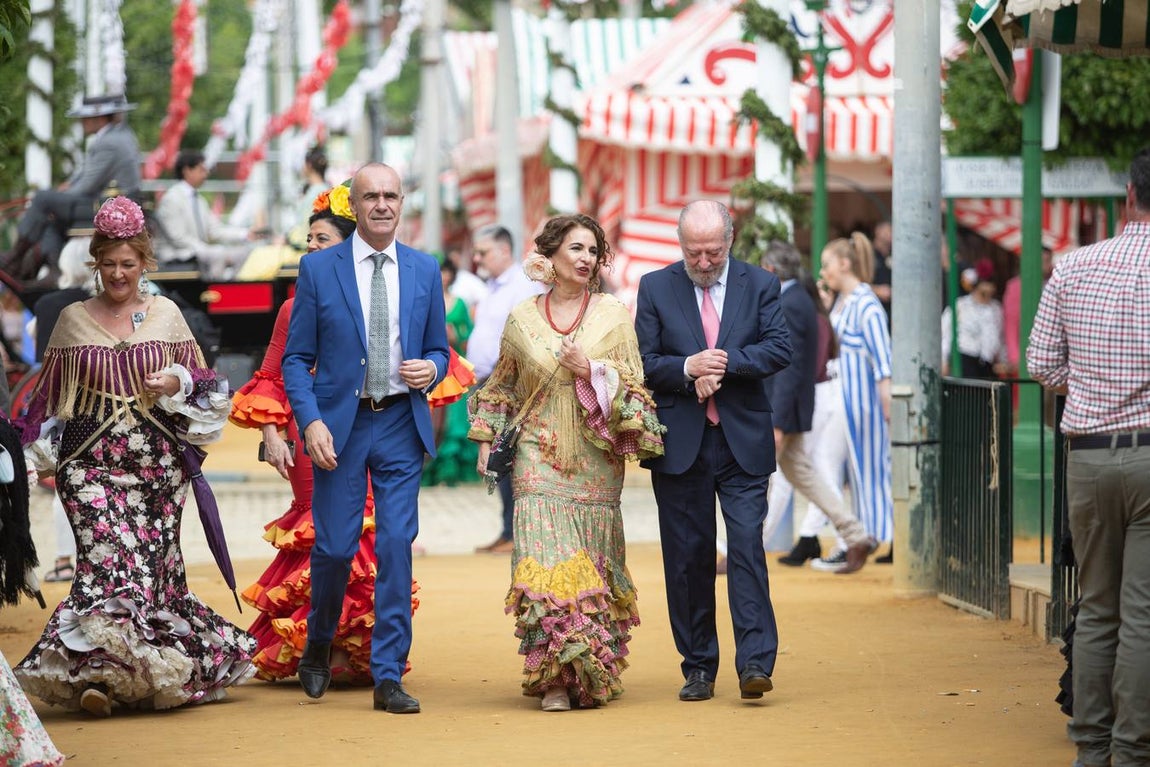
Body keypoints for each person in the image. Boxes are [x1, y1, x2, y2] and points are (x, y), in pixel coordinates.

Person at [13, 196, 255, 717]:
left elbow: (209, 385)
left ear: (145, 263)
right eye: (109, 263)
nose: (119, 274)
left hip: (158, 472)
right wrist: (23, 456)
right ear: (95, 263)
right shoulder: (72, 321)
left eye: (129, 264)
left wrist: (177, 379)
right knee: (104, 569)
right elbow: (45, 402)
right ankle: (101, 677)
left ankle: (142, 676)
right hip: (90, 469)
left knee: (154, 575)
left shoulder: (167, 315)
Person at [468, 213, 663, 712]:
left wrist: (592, 370)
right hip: (536, 456)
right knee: (543, 564)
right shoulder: (522, 318)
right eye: (576, 248)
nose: (586, 259)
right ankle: (554, 679)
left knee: (591, 572)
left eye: (593, 251)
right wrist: (484, 440)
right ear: (551, 255)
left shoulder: (614, 315)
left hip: (595, 461)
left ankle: (587, 674)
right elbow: (504, 384)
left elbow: (637, 391)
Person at [230, 188, 420, 682]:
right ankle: (317, 641)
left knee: (378, 538)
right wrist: (273, 432)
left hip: (377, 424)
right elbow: (274, 372)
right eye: (308, 239)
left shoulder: (390, 280)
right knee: (327, 537)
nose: (312, 248)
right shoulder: (293, 307)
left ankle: (361, 652)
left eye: (322, 239)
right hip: (311, 426)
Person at [281, 162, 448, 715]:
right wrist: (310, 422)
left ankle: (388, 676)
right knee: (334, 548)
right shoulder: (318, 269)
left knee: (397, 545)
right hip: (341, 427)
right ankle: (319, 642)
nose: (382, 204)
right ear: (354, 205)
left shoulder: (425, 270)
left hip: (401, 422)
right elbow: (296, 358)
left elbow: (440, 351)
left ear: (403, 203)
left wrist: (432, 367)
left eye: (391, 195)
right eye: (371, 196)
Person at [634, 200, 792, 702]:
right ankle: (698, 666)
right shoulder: (655, 287)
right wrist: (688, 369)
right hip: (680, 443)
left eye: (713, 253)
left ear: (731, 240)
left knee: (746, 547)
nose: (703, 263)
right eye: (693, 252)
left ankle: (755, 664)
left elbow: (779, 348)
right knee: (687, 558)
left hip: (742, 440)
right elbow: (643, 360)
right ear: (680, 245)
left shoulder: (761, 284)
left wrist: (724, 364)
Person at [1027, 148, 1150, 767]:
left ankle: (1091, 750)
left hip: (1091, 456)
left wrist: (1097, 383)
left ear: (1129, 195)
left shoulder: (1074, 267)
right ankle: (1133, 752)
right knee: (1144, 612)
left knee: (1097, 608)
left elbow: (1041, 363)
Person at [759, 241, 875, 573]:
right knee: (799, 474)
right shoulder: (798, 299)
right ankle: (854, 534)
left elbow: (789, 368)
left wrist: (778, 422)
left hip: (787, 409)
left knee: (759, 479)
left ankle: (744, 549)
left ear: (770, 269)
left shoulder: (790, 303)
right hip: (795, 406)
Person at [0, 94, 141, 287]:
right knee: (50, 210)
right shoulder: (117, 135)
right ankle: (52, 269)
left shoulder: (109, 142)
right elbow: (82, 179)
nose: (82, 122)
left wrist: (57, 198)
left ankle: (16, 257)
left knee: (42, 199)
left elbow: (86, 187)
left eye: (85, 118)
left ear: (99, 119)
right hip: (109, 203)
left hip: (107, 206)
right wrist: (61, 195)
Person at [814, 233, 894, 568]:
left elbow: (882, 358)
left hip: (861, 403)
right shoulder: (847, 301)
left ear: (844, 264)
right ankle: (859, 537)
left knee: (865, 470)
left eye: (828, 264)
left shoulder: (865, 303)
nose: (824, 271)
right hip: (843, 400)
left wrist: (887, 403)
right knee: (849, 471)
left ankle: (861, 537)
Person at [466, 225, 544, 554]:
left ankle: (518, 534)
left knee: (509, 459)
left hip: (511, 386)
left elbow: (525, 338)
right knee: (496, 461)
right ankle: (507, 529)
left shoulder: (522, 285)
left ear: (503, 251)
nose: (477, 258)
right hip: (488, 385)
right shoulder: (493, 287)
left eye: (483, 252)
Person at [25, 236, 95, 585]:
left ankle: (66, 559)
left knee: (63, 484)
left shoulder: (48, 304)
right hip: (100, 400)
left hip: (57, 403)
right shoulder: (100, 304)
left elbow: (36, 349)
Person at [777, 273, 852, 567]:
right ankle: (815, 536)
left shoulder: (815, 321)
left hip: (822, 396)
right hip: (823, 395)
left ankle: (843, 539)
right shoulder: (820, 319)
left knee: (814, 470)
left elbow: (815, 365)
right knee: (813, 470)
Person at [154, 149, 255, 278]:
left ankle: (230, 290)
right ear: (187, 171)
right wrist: (206, 249)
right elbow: (178, 238)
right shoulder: (171, 199)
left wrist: (245, 234)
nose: (206, 174)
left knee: (244, 252)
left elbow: (214, 230)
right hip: (177, 254)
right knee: (217, 253)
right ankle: (212, 294)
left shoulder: (200, 201)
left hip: (198, 251)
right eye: (201, 170)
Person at [422, 258, 479, 486]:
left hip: (453, 365)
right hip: (429, 365)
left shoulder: (460, 302)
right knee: (433, 415)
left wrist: (456, 336)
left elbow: (470, 332)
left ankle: (453, 469)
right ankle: (431, 464)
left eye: (447, 271)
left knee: (455, 416)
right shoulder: (424, 299)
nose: (444, 276)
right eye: (440, 271)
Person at [941, 258, 1006, 379]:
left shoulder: (996, 309)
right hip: (964, 360)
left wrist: (1003, 360)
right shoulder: (960, 305)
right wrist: (944, 360)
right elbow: (945, 333)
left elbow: (1000, 336)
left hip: (987, 363)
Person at [1002, 245, 1054, 377]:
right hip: (1025, 353)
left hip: (1050, 353)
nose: (1047, 265)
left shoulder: (1054, 282)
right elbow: (1011, 324)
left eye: (1048, 260)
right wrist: (1014, 356)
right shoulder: (1016, 287)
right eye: (1043, 261)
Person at [871, 219, 893, 321]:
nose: (890, 234)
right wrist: (877, 290)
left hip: (892, 312)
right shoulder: (869, 256)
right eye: (887, 230)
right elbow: (857, 282)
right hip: (874, 310)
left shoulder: (894, 256)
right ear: (877, 231)